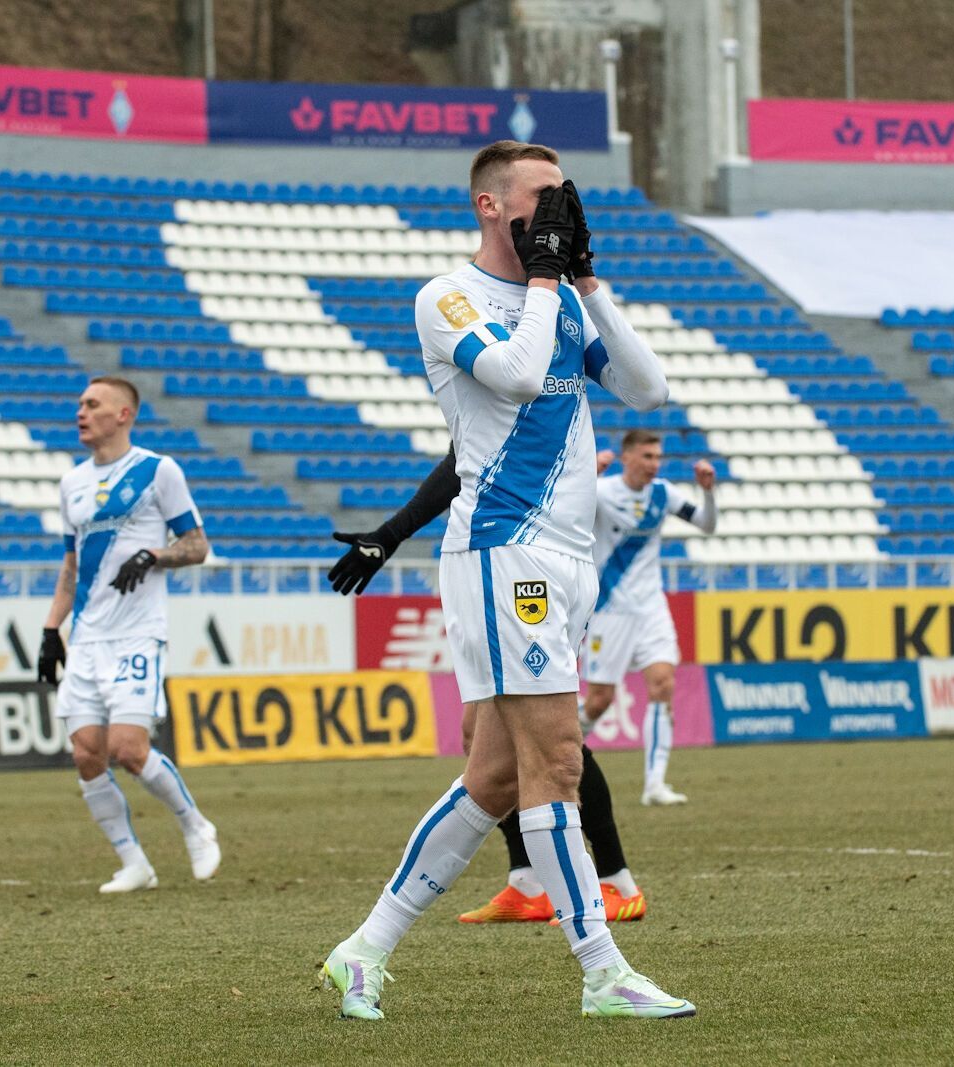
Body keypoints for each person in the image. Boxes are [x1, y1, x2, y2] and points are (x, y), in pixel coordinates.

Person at [321, 140, 694, 1021]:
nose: (559, 213)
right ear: (492, 206)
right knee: (558, 760)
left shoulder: (562, 298)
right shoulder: (448, 297)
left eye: (567, 200)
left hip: (569, 560)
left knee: (493, 777)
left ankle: (362, 949)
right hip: (504, 550)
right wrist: (544, 283)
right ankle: (603, 969)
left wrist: (588, 282)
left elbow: (650, 389)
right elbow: (520, 377)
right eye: (543, 198)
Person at [329, 449, 646, 926]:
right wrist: (390, 534)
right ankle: (527, 881)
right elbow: (462, 463)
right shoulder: (489, 400)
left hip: (530, 565)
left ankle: (616, 880)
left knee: (546, 732)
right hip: (489, 565)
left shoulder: (530, 383)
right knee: (481, 735)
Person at [36, 376, 221, 894]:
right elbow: (70, 566)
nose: (81, 411)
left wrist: (154, 555)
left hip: (138, 633)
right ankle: (134, 862)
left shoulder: (157, 471)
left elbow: (197, 545)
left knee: (128, 748)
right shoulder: (70, 483)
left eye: (92, 404)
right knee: (86, 752)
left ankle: (195, 825)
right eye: (79, 404)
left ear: (123, 414)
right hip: (88, 636)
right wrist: (52, 630)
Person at [586, 431, 717, 806]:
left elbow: (706, 525)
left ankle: (655, 784)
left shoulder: (663, 493)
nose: (653, 463)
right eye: (646, 456)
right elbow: (562, 514)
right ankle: (556, 752)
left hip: (651, 608)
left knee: (663, 684)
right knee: (599, 702)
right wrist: (587, 475)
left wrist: (707, 490)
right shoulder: (602, 492)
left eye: (657, 456)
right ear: (627, 457)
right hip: (610, 609)